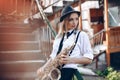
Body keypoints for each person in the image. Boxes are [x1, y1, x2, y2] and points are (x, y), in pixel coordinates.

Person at [37, 5, 93, 80]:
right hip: (54, 72)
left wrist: (71, 60)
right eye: (71, 19)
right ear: (64, 21)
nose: (75, 22)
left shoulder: (81, 35)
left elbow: (89, 59)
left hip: (69, 73)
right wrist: (44, 68)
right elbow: (53, 57)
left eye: (76, 19)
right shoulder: (58, 37)